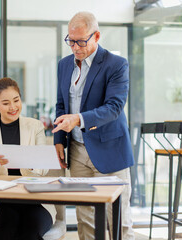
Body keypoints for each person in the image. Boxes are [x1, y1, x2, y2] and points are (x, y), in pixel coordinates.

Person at [52, 12, 135, 240]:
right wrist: (59, 141)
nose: (75, 47)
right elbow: (61, 104)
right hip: (77, 151)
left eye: (81, 41)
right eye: (70, 40)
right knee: (85, 218)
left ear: (96, 36)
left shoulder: (116, 64)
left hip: (110, 152)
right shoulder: (64, 65)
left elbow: (114, 107)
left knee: (118, 221)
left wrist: (78, 119)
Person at [0, 77, 56, 240]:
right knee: (4, 231)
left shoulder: (36, 126)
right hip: (1, 202)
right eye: (6, 103)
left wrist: (31, 161)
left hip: (35, 200)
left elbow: (43, 169)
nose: (13, 107)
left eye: (16, 100)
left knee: (30, 233)